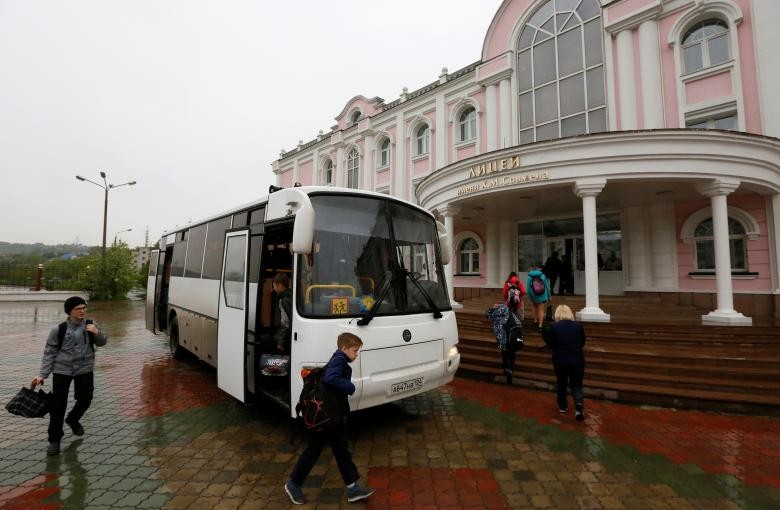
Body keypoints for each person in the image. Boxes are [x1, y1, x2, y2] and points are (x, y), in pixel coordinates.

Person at [285, 333, 375, 505]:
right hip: (328, 419)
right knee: (317, 450)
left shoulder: (339, 359)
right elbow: (330, 378)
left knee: (340, 450)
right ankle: (293, 484)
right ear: (344, 349)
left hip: (331, 418)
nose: (357, 354)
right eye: (355, 351)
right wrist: (350, 387)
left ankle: (353, 488)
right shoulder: (339, 361)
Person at [31, 296, 107, 456]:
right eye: (78, 309)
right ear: (69, 311)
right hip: (62, 370)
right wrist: (42, 375)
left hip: (84, 369)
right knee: (58, 406)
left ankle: (73, 419)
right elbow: (49, 353)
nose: (82, 311)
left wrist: (97, 332)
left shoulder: (90, 324)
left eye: (84, 308)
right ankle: (54, 440)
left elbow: (102, 342)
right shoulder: (58, 330)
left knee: (86, 399)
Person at [542, 305, 586, 421]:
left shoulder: (553, 327)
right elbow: (582, 342)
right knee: (576, 384)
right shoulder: (578, 326)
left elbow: (551, 345)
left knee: (561, 382)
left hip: (560, 360)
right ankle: (579, 406)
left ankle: (563, 406)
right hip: (576, 359)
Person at [486, 303, 517, 385]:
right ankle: (510, 369)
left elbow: (487, 315)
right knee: (512, 356)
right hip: (512, 340)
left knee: (504, 354)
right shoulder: (511, 315)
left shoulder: (496, 317)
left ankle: (506, 369)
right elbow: (519, 324)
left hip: (502, 341)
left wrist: (492, 308)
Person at [526, 266, 551, 330]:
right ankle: (540, 325)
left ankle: (535, 321)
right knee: (541, 309)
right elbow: (547, 287)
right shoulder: (542, 275)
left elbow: (528, 288)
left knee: (534, 306)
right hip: (542, 294)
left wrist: (529, 296)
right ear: (538, 270)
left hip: (533, 294)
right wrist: (549, 296)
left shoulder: (529, 277)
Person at [272, 273, 293, 353]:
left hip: (288, 337)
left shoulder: (283, 300)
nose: (273, 289)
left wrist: (281, 343)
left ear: (280, 285)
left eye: (274, 286)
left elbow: (285, 323)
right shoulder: (293, 295)